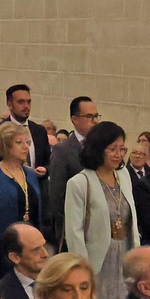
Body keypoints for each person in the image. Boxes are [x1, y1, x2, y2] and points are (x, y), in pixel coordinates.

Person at [64, 121, 140, 299]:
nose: (118, 154)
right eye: (112, 149)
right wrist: (82, 270)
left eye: (122, 149)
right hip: (97, 260)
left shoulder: (123, 175)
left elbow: (131, 218)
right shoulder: (80, 182)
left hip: (124, 253)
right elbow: (74, 231)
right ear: (98, 149)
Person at [0, 122, 43, 274]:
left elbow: (37, 211)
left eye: (27, 142)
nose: (25, 147)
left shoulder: (31, 174)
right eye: (19, 143)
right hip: (4, 248)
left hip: (30, 246)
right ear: (5, 146)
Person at [46, 96, 97, 244]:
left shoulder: (100, 148)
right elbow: (57, 195)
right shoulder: (63, 150)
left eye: (95, 116)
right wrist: (67, 229)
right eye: (89, 116)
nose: (94, 121)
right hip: (75, 226)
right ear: (74, 119)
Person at [0, 84, 50, 185]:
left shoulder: (39, 131)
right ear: (10, 105)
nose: (26, 106)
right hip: (6, 189)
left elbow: (48, 161)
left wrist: (45, 170)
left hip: (35, 188)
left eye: (28, 102)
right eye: (21, 102)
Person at [0, 222, 48, 299]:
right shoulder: (1, 295)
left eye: (44, 246)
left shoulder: (58, 282)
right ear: (15, 257)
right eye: (36, 250)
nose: (45, 254)